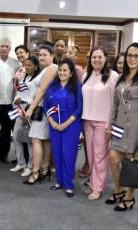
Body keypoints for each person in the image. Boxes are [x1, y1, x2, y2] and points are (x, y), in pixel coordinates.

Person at [106, 43, 138, 211]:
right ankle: (119, 190)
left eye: (136, 56)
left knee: (130, 164)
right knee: (113, 159)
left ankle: (129, 197)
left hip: (136, 129)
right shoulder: (121, 78)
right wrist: (110, 124)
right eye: (130, 55)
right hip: (119, 126)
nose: (132, 59)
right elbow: (115, 105)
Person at [81, 46, 119, 200]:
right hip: (87, 121)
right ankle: (93, 182)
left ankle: (98, 187)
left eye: (100, 57)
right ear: (90, 59)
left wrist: (111, 124)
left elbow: (116, 102)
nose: (96, 60)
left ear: (105, 59)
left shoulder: (113, 76)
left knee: (100, 156)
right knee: (90, 155)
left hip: (103, 122)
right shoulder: (86, 75)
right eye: (94, 57)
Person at [44, 58, 83, 197]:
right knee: (57, 153)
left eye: (65, 70)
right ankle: (59, 181)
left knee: (69, 154)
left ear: (71, 73)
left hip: (71, 125)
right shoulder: (52, 86)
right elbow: (46, 106)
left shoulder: (76, 86)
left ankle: (69, 184)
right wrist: (52, 122)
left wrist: (66, 123)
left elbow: (79, 108)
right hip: (54, 124)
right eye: (60, 70)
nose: (62, 72)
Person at [23, 44, 58, 185]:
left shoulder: (51, 69)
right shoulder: (48, 69)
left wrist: (31, 108)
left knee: (36, 139)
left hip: (41, 108)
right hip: (45, 109)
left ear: (52, 56)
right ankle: (44, 169)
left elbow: (42, 90)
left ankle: (35, 172)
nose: (41, 57)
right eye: (40, 54)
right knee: (45, 140)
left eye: (45, 54)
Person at [10, 56, 40, 177]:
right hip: (19, 110)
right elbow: (18, 92)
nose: (27, 67)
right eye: (26, 65)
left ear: (36, 66)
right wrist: (16, 101)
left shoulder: (37, 79)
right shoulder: (23, 77)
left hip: (29, 111)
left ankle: (30, 166)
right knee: (16, 135)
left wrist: (27, 106)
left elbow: (36, 96)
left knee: (29, 140)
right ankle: (21, 162)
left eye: (30, 65)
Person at [0, 37, 20, 163]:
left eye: (6, 46)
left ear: (9, 48)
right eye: (2, 46)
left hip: (10, 103)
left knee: (7, 131)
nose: (4, 48)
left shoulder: (15, 63)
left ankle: (4, 155)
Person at [64, 45, 90, 178]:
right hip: (64, 108)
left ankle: (83, 165)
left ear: (75, 56)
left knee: (75, 141)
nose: (68, 54)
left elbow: (79, 90)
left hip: (75, 109)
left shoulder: (78, 70)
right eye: (66, 52)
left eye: (71, 53)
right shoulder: (61, 68)